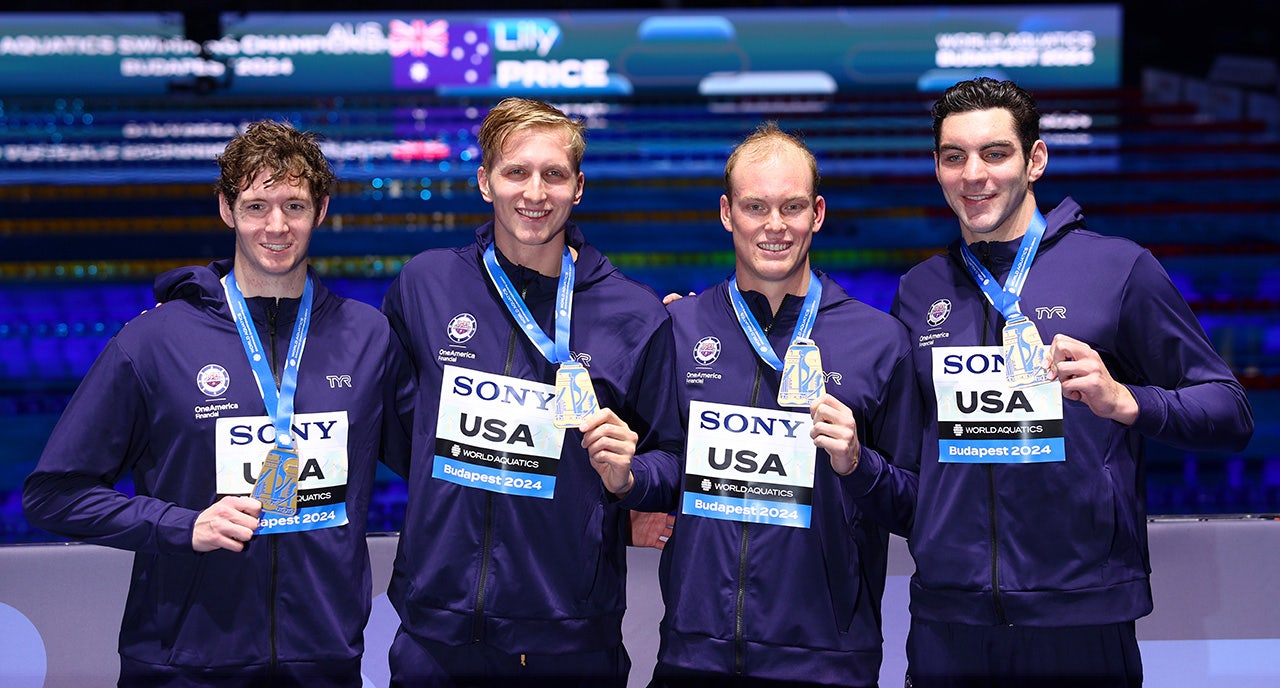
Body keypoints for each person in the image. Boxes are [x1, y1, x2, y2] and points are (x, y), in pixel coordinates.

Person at [22, 119, 415, 687]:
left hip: (325, 661)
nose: (276, 226)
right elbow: (53, 495)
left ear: (321, 210)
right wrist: (181, 525)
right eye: (257, 206)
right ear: (227, 209)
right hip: (185, 663)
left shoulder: (367, 337)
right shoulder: (154, 342)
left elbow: (435, 464)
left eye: (294, 206)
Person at [890, 76, 1255, 687]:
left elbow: (1230, 411)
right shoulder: (921, 289)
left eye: (995, 153)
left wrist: (1126, 401)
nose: (974, 174)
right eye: (955, 157)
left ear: (1035, 160)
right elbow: (900, 446)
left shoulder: (1117, 268)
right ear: (937, 168)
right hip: (949, 619)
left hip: (1081, 616)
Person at [380, 97, 683, 687]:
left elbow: (671, 459)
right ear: (484, 181)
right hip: (438, 633)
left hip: (569, 636)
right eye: (516, 171)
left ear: (579, 187)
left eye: (554, 174)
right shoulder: (427, 285)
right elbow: (389, 415)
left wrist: (629, 479)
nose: (535, 192)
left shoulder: (635, 313)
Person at [644, 122, 922, 687]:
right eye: (755, 207)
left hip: (826, 662)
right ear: (727, 213)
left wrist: (857, 464)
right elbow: (661, 470)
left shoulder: (880, 341)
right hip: (695, 656)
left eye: (792, 207)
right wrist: (624, 477)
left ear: (817, 214)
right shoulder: (678, 328)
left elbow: (918, 504)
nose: (775, 226)